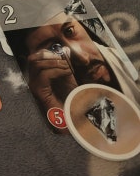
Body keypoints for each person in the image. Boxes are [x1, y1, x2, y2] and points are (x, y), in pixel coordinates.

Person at [8, 11, 140, 127]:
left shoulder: (128, 58)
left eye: (70, 31)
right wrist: (50, 101)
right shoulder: (35, 109)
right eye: (54, 48)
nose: (83, 58)